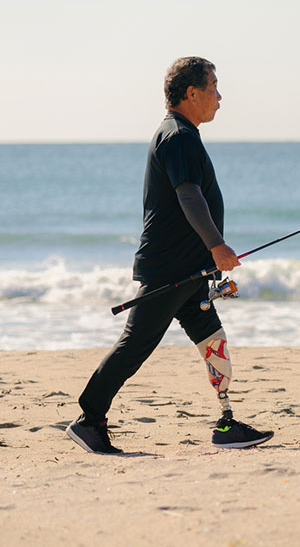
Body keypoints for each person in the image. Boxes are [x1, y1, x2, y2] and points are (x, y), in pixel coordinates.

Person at [66, 57, 273, 454]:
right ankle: (89, 420)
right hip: (169, 270)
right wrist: (217, 245)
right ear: (191, 93)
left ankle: (227, 424)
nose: (219, 97)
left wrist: (209, 257)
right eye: (213, 88)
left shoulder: (183, 134)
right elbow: (188, 194)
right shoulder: (177, 136)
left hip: (191, 270)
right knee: (136, 344)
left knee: (214, 340)